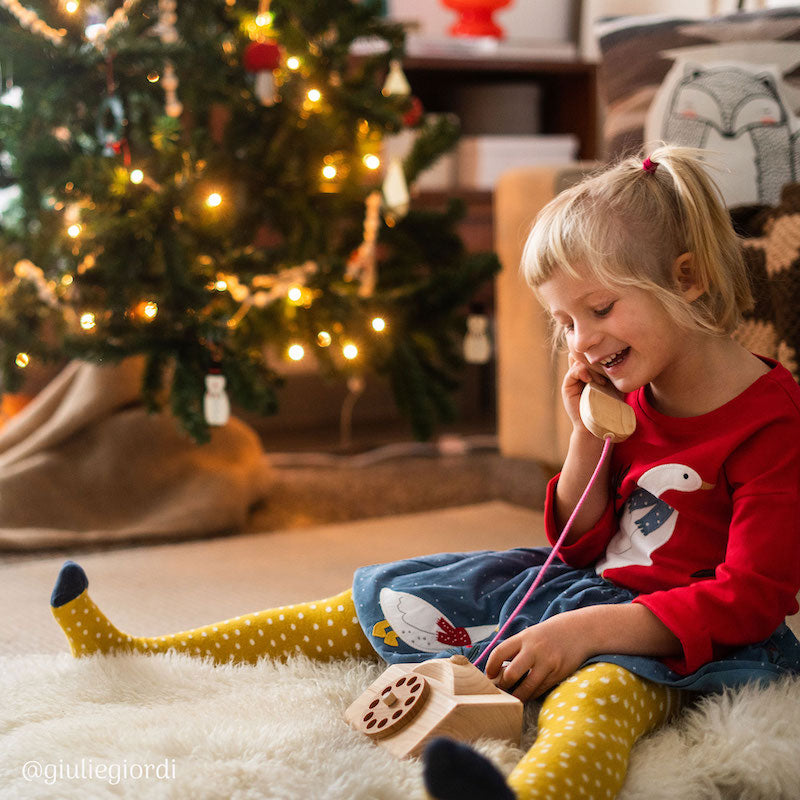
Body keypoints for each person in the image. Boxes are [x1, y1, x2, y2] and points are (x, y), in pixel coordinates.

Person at [50, 145, 800, 800]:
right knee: (394, 594)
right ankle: (145, 654)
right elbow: (576, 545)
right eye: (566, 322)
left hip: (681, 634)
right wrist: (587, 436)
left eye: (599, 309)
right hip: (589, 591)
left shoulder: (773, 423)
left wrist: (590, 633)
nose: (582, 341)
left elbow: (753, 597)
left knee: (597, 701)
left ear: (690, 279)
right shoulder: (635, 385)